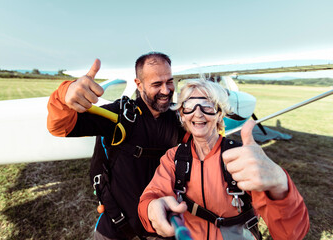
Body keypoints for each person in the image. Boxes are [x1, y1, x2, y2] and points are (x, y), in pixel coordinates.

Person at [138, 78, 310, 240]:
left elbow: (290, 234)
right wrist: (150, 208)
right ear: (182, 114)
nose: (198, 114)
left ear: (220, 113)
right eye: (189, 105)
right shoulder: (173, 158)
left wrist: (280, 187)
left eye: (207, 105)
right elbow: (153, 195)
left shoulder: (241, 158)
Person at [47, 52, 186, 239]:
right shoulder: (121, 115)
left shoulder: (179, 118)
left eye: (169, 81)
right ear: (138, 84)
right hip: (116, 227)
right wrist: (65, 94)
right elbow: (60, 127)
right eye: (156, 84)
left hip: (161, 227)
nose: (166, 90)